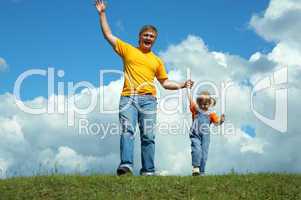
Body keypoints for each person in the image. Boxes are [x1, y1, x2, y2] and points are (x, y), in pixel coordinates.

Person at [95, 0, 194, 176]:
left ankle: (148, 170)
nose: (148, 38)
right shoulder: (128, 50)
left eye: (152, 36)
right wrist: (102, 13)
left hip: (149, 100)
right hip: (128, 98)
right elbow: (108, 35)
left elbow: (165, 82)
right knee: (128, 131)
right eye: (146, 35)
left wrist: (181, 85)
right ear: (140, 37)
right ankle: (126, 166)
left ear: (154, 40)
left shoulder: (157, 61)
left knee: (148, 135)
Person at [188, 91, 225, 176]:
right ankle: (196, 167)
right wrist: (188, 89)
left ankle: (202, 172)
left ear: (209, 104)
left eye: (206, 104)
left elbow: (216, 123)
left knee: (204, 153)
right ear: (198, 103)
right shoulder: (195, 109)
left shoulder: (211, 114)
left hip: (206, 136)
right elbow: (190, 99)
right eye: (202, 104)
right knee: (196, 149)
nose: (203, 106)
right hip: (195, 134)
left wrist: (221, 121)